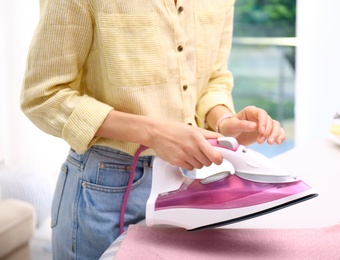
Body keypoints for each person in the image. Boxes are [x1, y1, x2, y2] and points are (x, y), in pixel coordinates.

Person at [21, 0, 286, 259]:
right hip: (103, 191)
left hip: (183, 182)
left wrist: (225, 122)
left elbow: (213, 79)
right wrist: (153, 133)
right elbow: (44, 96)